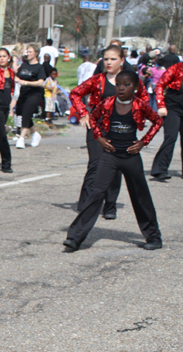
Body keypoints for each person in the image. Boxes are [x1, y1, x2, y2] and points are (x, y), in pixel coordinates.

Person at [64, 70, 162, 252]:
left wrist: (143, 142)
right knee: (96, 193)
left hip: (131, 156)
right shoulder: (107, 103)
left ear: (135, 87)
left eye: (127, 85)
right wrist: (99, 138)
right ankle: (74, 238)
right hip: (110, 155)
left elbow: (157, 121)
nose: (121, 88)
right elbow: (93, 118)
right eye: (118, 84)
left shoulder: (140, 105)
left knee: (140, 196)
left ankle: (154, 237)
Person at [71, 44, 150, 218]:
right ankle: (85, 204)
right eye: (106, 59)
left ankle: (110, 205)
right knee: (95, 164)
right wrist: (83, 113)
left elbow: (144, 98)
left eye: (113, 59)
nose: (108, 62)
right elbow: (75, 93)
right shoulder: (97, 80)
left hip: (121, 129)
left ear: (122, 60)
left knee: (116, 167)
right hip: (97, 127)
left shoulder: (131, 80)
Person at [150, 57, 183, 180]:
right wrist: (161, 105)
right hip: (173, 107)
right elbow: (159, 85)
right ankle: (160, 169)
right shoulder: (176, 68)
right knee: (171, 137)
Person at [14, 44, 46, 149]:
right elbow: (17, 75)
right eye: (27, 51)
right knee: (22, 113)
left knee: (26, 113)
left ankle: (21, 138)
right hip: (23, 93)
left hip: (34, 94)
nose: (27, 53)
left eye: (30, 51)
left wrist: (26, 83)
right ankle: (35, 134)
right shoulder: (24, 65)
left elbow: (40, 82)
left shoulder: (39, 67)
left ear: (36, 53)